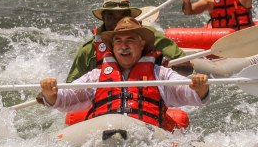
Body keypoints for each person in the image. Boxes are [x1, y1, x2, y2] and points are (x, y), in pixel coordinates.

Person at [39, 17, 209, 129]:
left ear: (142, 44)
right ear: (113, 47)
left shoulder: (161, 74)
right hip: (103, 136)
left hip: (146, 138)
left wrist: (199, 87)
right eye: (118, 41)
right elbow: (67, 97)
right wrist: (50, 95)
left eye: (130, 40)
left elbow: (188, 93)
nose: (123, 45)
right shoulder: (96, 76)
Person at [66, 0, 191, 83]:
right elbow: (70, 89)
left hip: (144, 99)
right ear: (103, 18)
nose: (117, 22)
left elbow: (187, 68)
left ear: (130, 18)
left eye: (122, 17)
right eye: (111, 17)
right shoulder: (89, 49)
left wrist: (169, 65)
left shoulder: (150, 36)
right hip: (105, 107)